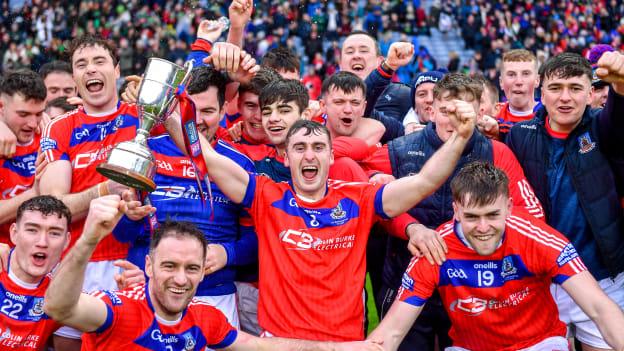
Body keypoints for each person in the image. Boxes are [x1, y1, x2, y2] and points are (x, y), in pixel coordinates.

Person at [161, 80, 477, 341]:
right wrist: (165, 107)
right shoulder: (266, 195)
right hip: (280, 342)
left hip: (344, 343)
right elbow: (203, 153)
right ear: (286, 158)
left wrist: (460, 138)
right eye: (299, 148)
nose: (309, 156)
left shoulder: (360, 198)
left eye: (318, 148)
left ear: (330, 157)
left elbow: (424, 182)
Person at [43, 196, 383, 351]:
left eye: (192, 268)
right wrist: (88, 238)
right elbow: (58, 308)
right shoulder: (118, 310)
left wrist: (349, 349)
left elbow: (268, 347)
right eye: (169, 266)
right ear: (148, 266)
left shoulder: (204, 318)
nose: (180, 279)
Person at [367, 161, 624, 351]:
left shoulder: (538, 238)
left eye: (492, 215)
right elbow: (391, 332)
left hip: (538, 344)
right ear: (455, 210)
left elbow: (600, 309)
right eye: (471, 217)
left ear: (510, 207)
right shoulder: (437, 249)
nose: (482, 228)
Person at [379, 73, 544, 351]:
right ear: (431, 111)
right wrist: (412, 228)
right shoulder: (397, 150)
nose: (454, 120)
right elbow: (377, 207)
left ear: (480, 112)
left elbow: (530, 215)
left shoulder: (497, 152)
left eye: (463, 111)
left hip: (471, 286)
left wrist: (486, 242)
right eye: (446, 111)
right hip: (405, 278)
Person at [113, 65, 257, 329]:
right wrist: (130, 218)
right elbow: (121, 234)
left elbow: (261, 239)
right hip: (148, 292)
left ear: (225, 112)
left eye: (209, 111)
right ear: (176, 109)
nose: (197, 120)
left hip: (213, 295)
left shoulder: (239, 164)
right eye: (190, 110)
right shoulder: (147, 151)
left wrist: (227, 253)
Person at [507, 51, 624, 351]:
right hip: (541, 278)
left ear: (589, 93)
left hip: (601, 275)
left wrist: (621, 87)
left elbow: (621, 117)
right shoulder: (520, 135)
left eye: (575, 88)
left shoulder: (602, 128)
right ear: (541, 92)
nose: (565, 97)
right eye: (556, 88)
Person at [38, 34, 149, 349]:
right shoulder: (59, 128)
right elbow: (53, 206)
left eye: (99, 62)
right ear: (74, 78)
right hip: (79, 261)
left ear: (116, 70)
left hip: (131, 262)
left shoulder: (142, 118)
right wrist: (106, 188)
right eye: (81, 65)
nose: (90, 70)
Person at [0, 196, 70, 350]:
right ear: (14, 233)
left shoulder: (63, 291)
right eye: (32, 230)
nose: (42, 242)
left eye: (54, 233)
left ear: (67, 241)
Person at [0, 70, 47, 244]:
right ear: (1, 108)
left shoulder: (50, 134)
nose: (33, 124)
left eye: (39, 113)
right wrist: (34, 193)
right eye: (23, 114)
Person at [496, 49, 541, 140]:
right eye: (511, 74)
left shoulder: (551, 117)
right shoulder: (492, 117)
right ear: (501, 82)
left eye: (526, 74)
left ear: (537, 80)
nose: (518, 82)